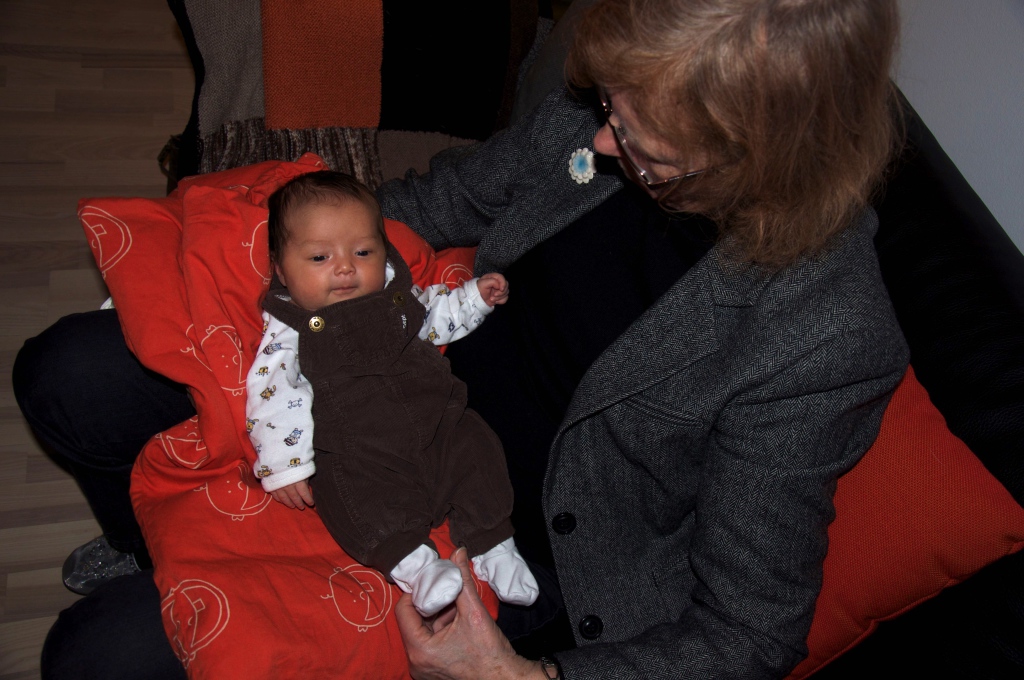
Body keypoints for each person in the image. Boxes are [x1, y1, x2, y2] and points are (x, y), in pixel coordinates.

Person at [17, 0, 911, 678]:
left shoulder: (824, 336)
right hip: (402, 367)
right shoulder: (616, 109)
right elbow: (445, 198)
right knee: (65, 373)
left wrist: (520, 678)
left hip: (509, 546)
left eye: (647, 151)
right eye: (610, 106)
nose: (602, 140)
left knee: (99, 655)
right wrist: (257, 264)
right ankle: (150, 538)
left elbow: (750, 633)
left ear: (767, 159)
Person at [247, 171, 537, 616]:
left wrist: (473, 299)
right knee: (349, 494)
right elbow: (274, 390)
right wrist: (285, 464)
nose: (346, 267)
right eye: (320, 257)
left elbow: (435, 317)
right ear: (282, 270)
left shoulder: (395, 296)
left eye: (363, 252)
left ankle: (494, 544)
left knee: (476, 451)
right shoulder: (290, 329)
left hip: (440, 424)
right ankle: (416, 566)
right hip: (361, 450)